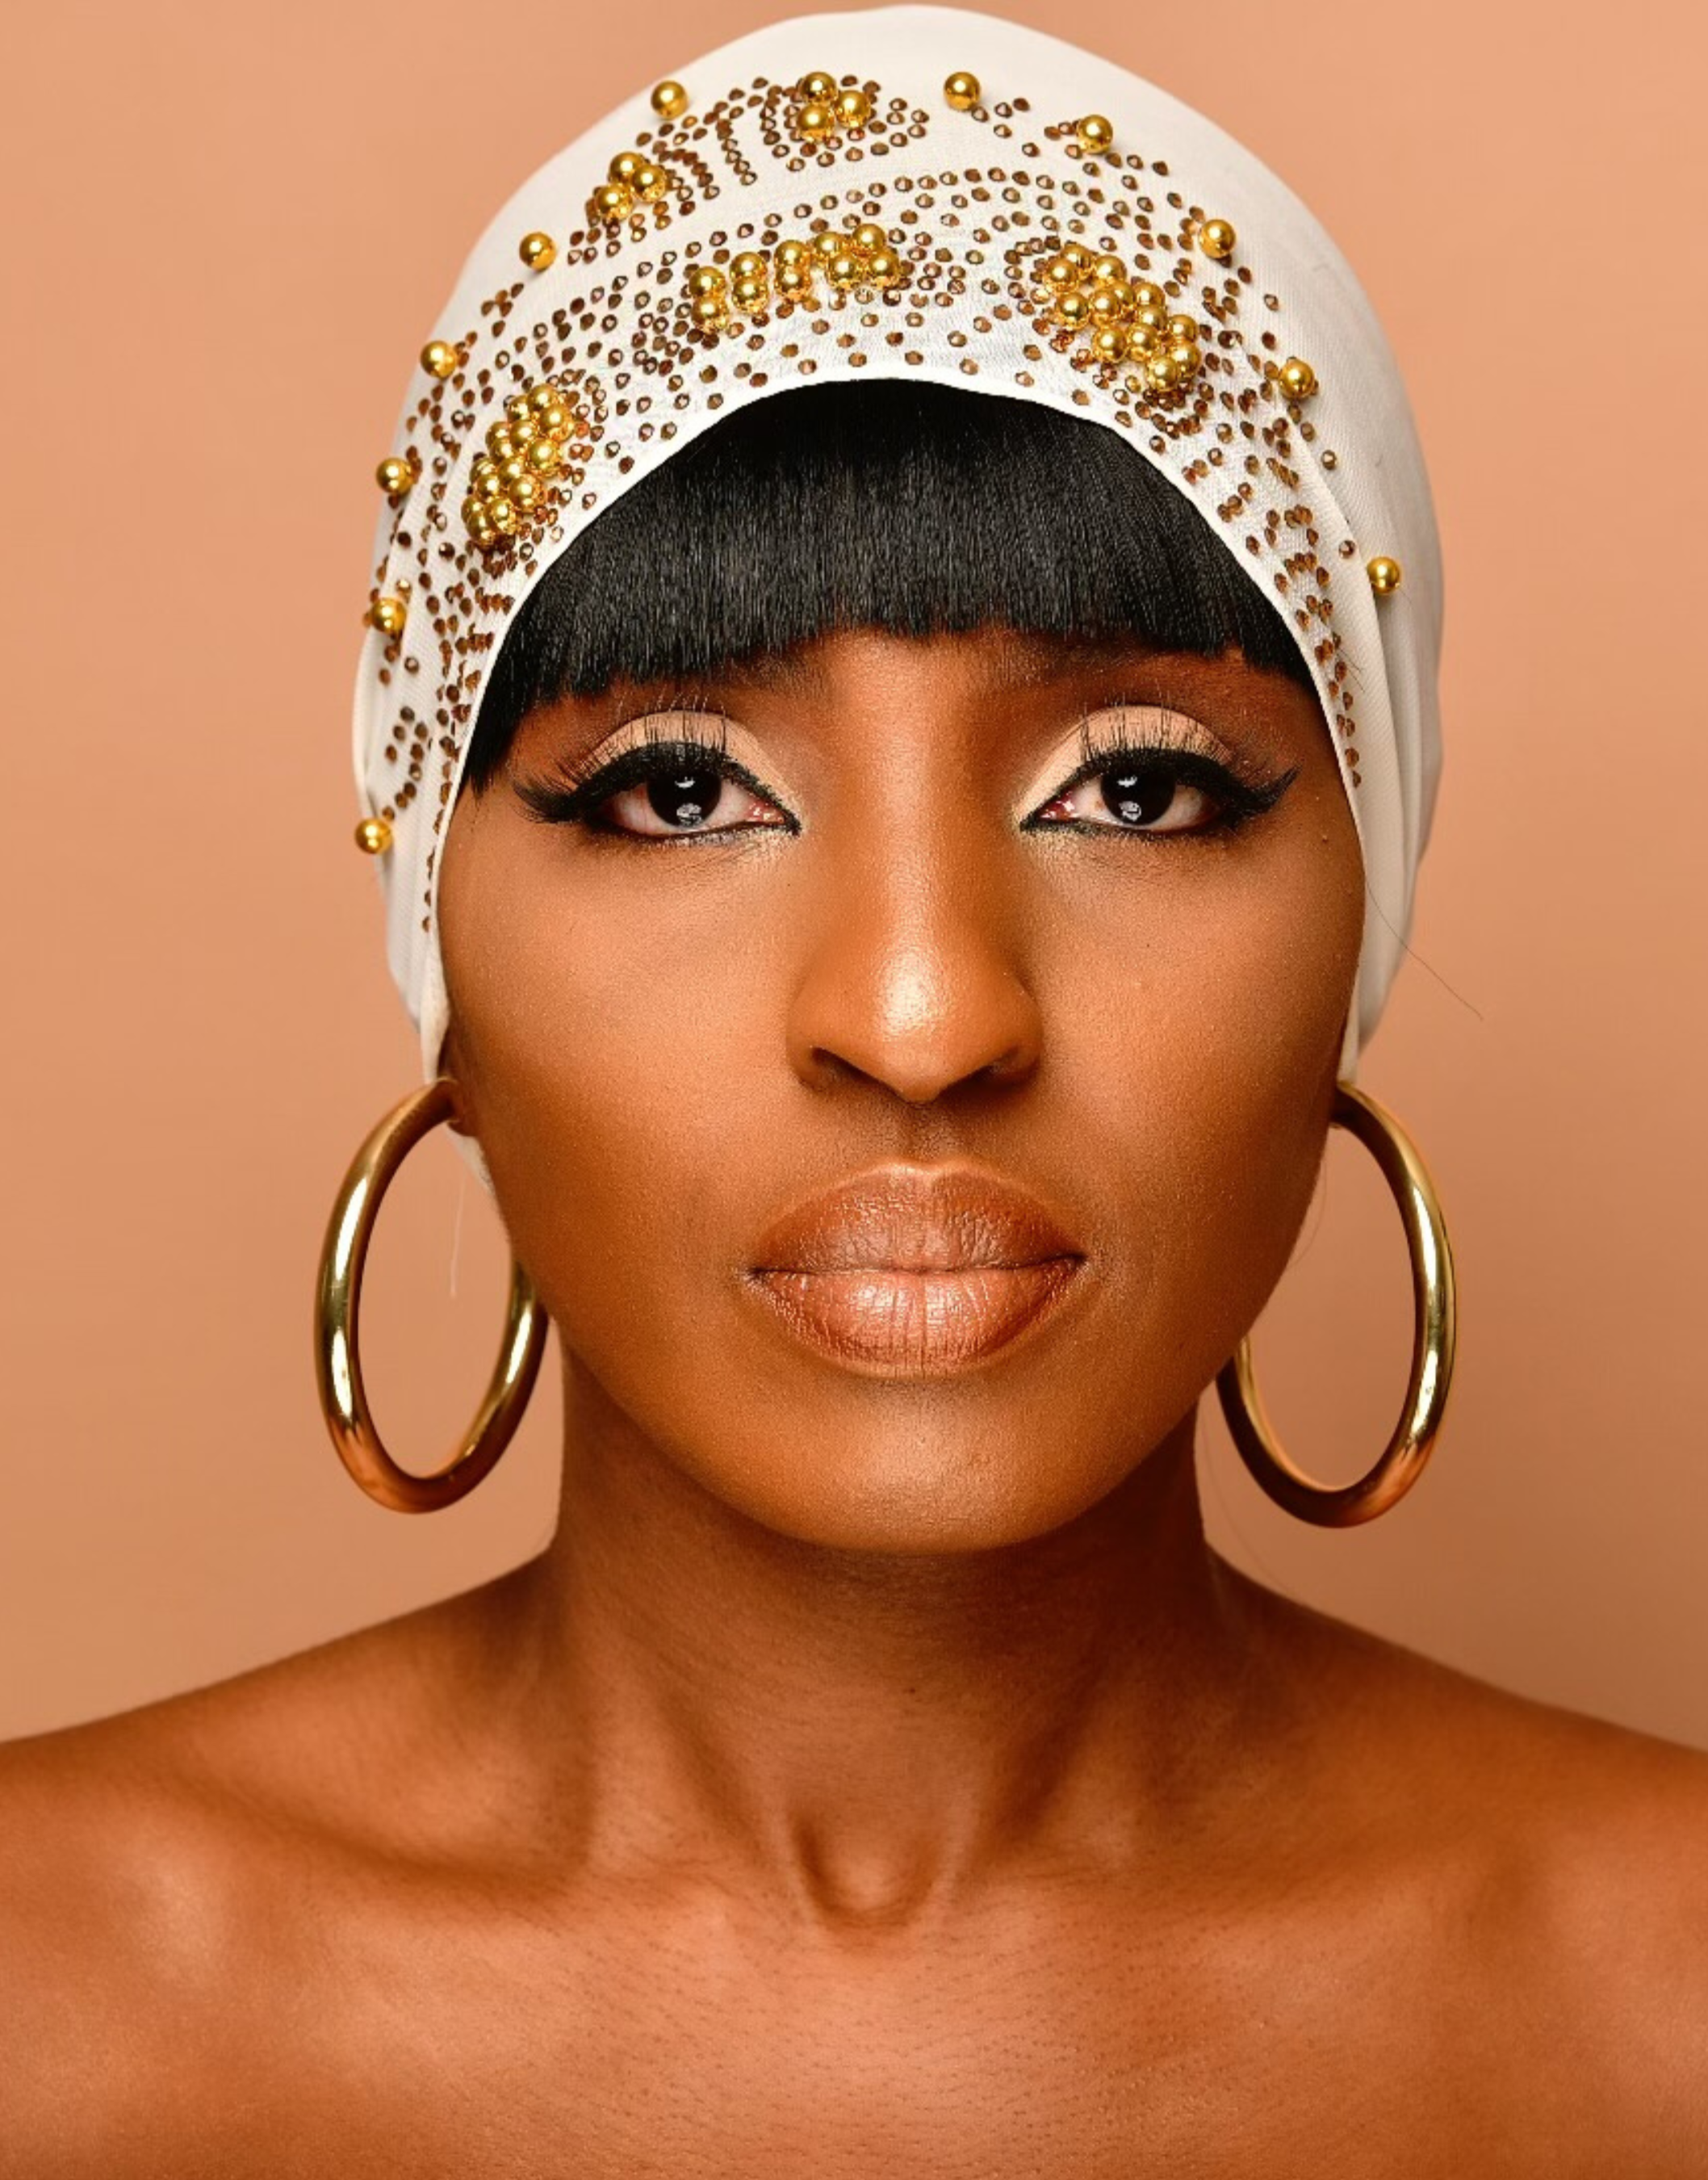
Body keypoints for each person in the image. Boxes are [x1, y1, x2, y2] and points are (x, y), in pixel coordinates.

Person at [4, 8, 1705, 2167]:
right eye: (679, 788)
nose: (919, 1013)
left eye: (1142, 789)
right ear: (441, 965)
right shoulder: (43, 1996)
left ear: (1352, 944)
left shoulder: (1662, 2007)